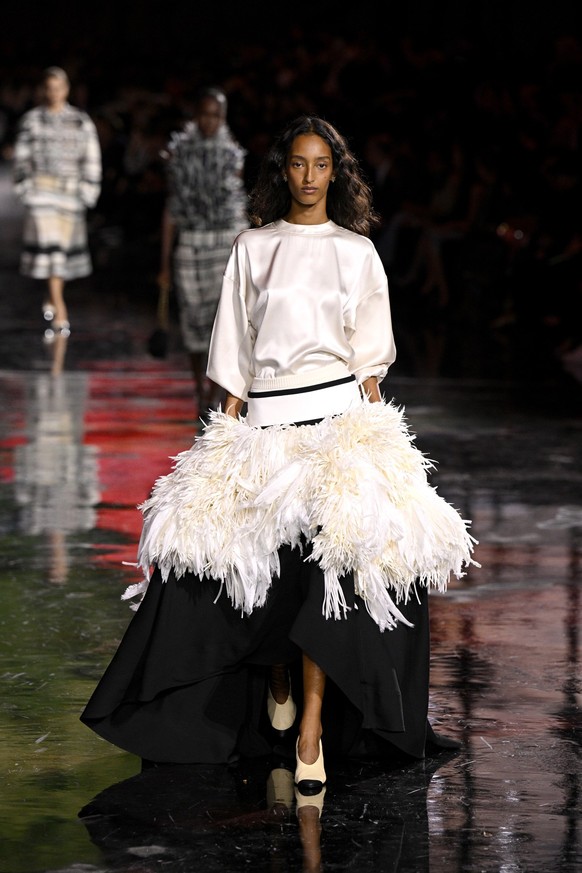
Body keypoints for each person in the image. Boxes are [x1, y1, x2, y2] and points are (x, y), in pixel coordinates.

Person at [81, 116, 476, 796]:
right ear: (282, 170)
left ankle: (312, 729)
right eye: (298, 163)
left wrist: (384, 439)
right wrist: (221, 433)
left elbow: (370, 351)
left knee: (334, 572)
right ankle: (276, 673)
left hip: (337, 423)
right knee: (250, 567)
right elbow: (234, 343)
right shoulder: (253, 247)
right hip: (265, 421)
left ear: (336, 172)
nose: (309, 176)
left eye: (321, 164)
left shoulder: (356, 251)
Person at [156, 86, 248, 408]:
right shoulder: (180, 153)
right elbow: (172, 208)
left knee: (221, 323)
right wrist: (164, 264)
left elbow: (236, 205)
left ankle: (211, 394)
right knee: (193, 323)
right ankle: (199, 389)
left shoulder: (232, 155)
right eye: (205, 114)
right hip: (191, 244)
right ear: (196, 116)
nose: (210, 121)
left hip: (224, 242)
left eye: (216, 115)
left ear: (223, 118)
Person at [12, 66, 102, 340]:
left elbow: (91, 156)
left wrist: (88, 190)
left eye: (58, 88)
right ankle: (60, 307)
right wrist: (26, 190)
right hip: (41, 194)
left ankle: (52, 297)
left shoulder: (80, 121)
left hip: (70, 195)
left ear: (66, 90)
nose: (53, 93)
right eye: (49, 88)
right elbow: (21, 157)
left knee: (59, 253)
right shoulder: (32, 120)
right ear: (44, 90)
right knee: (53, 250)